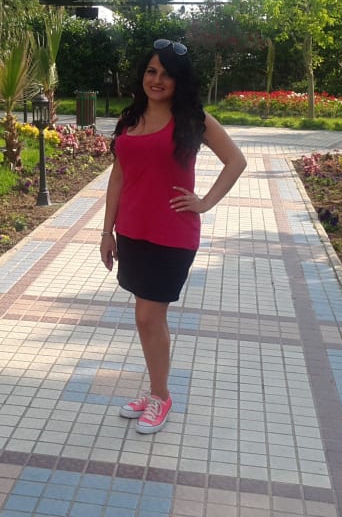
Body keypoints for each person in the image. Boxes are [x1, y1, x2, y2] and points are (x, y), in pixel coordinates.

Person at [100, 38, 247, 434]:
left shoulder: (193, 120)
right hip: (132, 231)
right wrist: (107, 231)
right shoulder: (130, 118)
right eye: (151, 71)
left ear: (179, 81)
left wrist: (205, 202)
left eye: (166, 74)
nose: (157, 80)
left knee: (149, 316)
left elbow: (236, 161)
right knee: (146, 317)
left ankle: (161, 397)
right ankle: (155, 390)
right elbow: (118, 177)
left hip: (172, 233)